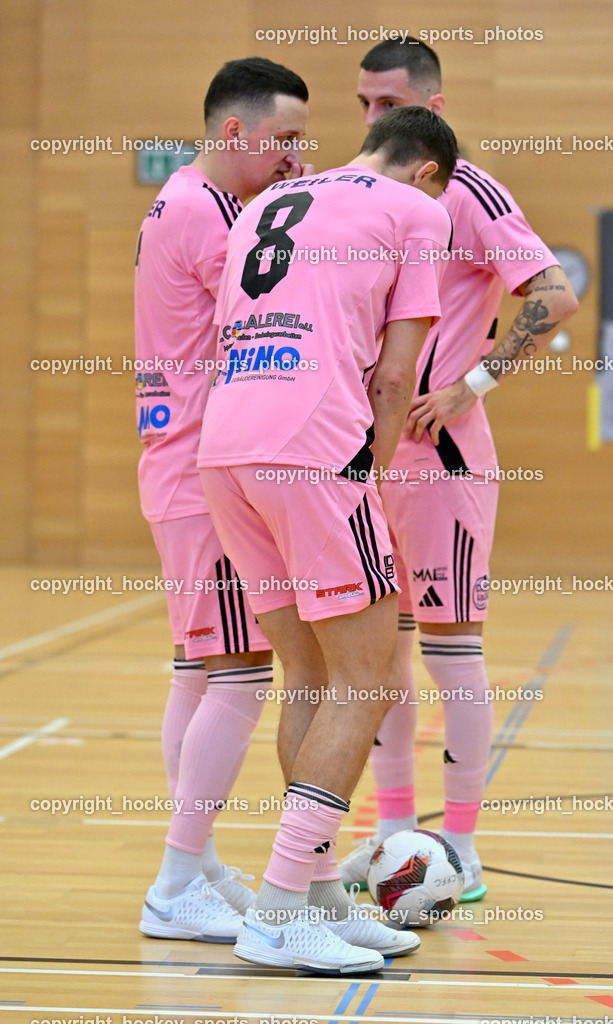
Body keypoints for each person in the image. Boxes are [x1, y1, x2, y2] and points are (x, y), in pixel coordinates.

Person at [197, 106, 457, 973]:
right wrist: (369, 479)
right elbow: (394, 374)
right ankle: (276, 911)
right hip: (313, 450)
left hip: (225, 447)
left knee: (309, 673)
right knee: (372, 675)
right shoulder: (419, 209)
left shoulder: (277, 199)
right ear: (429, 171)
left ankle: (313, 897)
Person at [339, 38, 578, 901]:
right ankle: (397, 832)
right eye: (361, 102)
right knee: (379, 655)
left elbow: (553, 295)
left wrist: (469, 385)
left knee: (449, 652)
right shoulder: (353, 192)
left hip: (441, 463)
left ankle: (464, 844)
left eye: (386, 103)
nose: (369, 119)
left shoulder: (468, 194)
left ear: (430, 110)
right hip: (364, 463)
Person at [134, 57, 313, 942]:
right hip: (203, 468)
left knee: (199, 669)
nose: (293, 158)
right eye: (283, 141)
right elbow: (279, 308)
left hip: (183, 464)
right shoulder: (211, 220)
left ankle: (193, 866)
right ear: (234, 133)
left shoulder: (198, 204)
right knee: (241, 672)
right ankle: (175, 880)